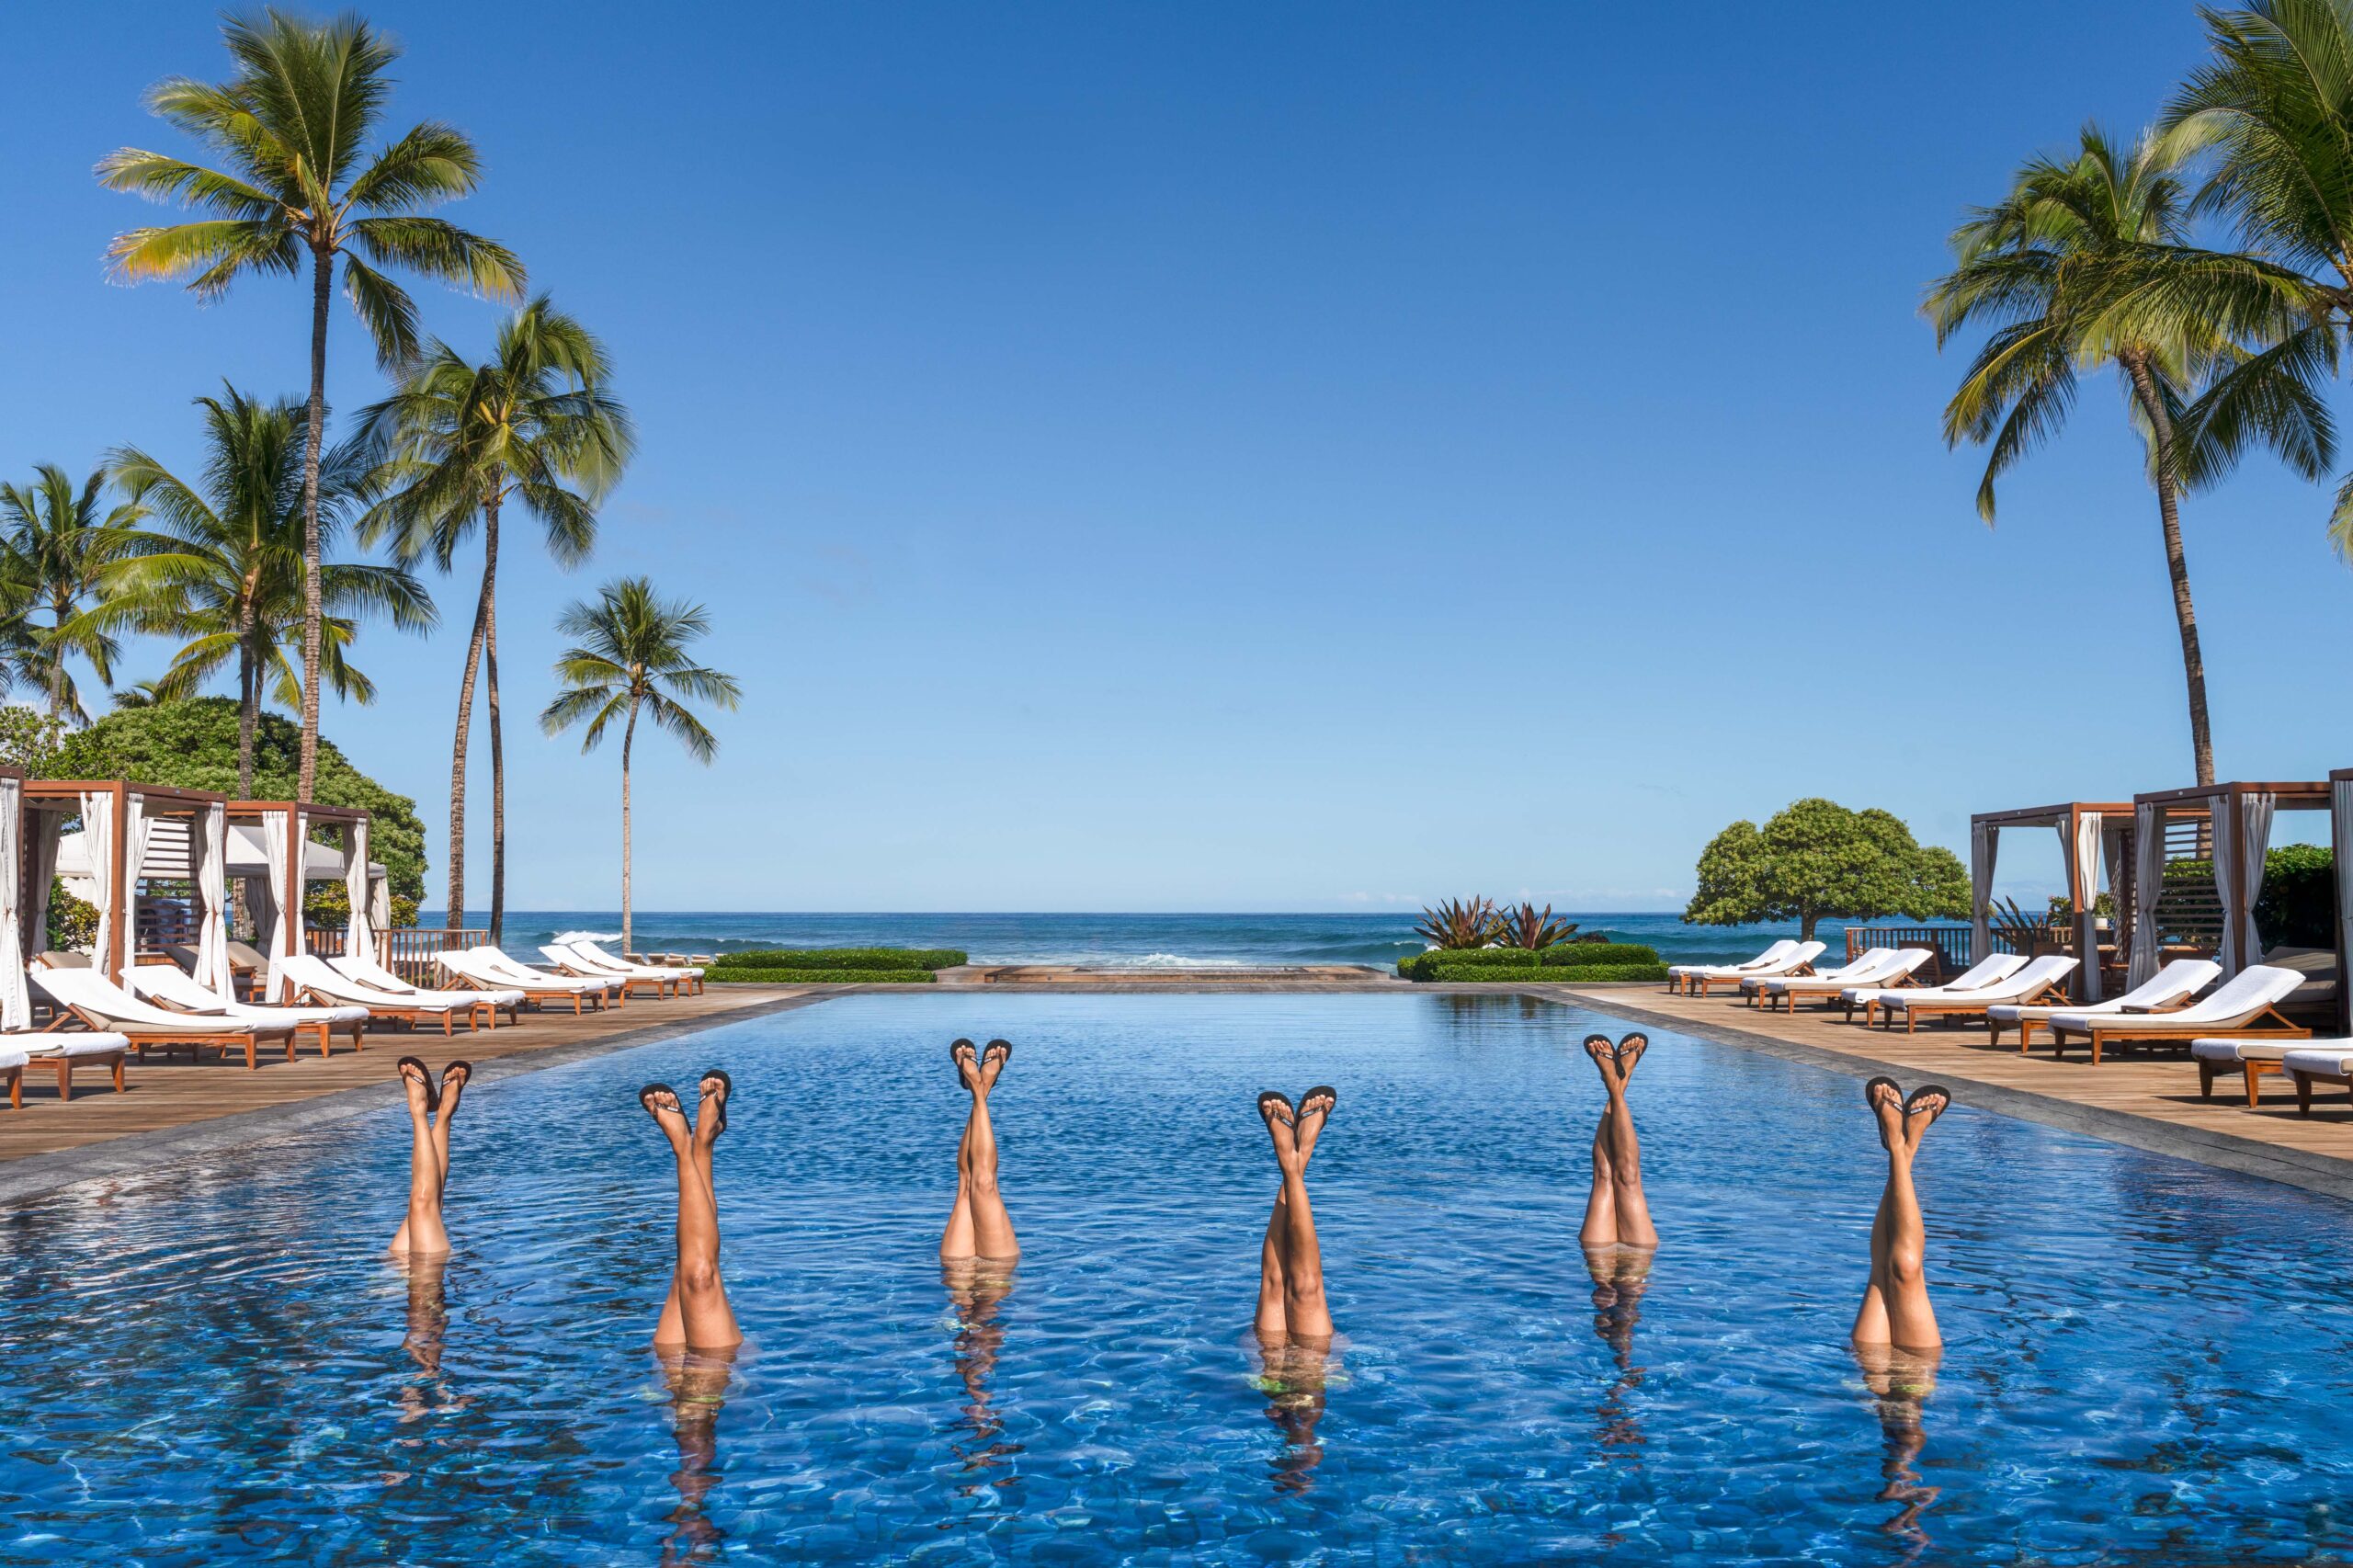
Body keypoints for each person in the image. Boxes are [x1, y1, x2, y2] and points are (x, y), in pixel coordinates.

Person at [642, 1069, 743, 1351]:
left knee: (683, 1271)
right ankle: (687, 1148)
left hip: (668, 1373)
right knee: (699, 1278)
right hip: (713, 1372)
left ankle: (700, 1147)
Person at [1851, 1076, 1949, 1352]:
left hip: (1868, 1376)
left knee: (1883, 1271)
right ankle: (1904, 1149)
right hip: (1917, 1376)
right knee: (1905, 1269)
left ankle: (1897, 1144)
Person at [1254, 1085, 1336, 1346]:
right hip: (1312, 1371)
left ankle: (1292, 1159)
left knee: (1274, 1285)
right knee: (1306, 1289)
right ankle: (1299, 1155)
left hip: (1269, 1374)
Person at [940, 1039, 1019, 1263]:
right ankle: (980, 1086)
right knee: (984, 1183)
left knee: (966, 1184)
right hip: (998, 1275)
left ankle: (979, 1086)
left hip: (957, 1275)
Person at [1577, 1033, 1658, 1251]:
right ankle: (1618, 1084)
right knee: (1628, 1178)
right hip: (1638, 1261)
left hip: (1598, 1261)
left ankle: (1614, 1083)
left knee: (1602, 1175)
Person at [389, 1056, 471, 1258]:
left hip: (392, 1271)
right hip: (426, 1280)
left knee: (427, 1206)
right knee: (424, 1204)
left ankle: (443, 1112)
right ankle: (424, 1110)